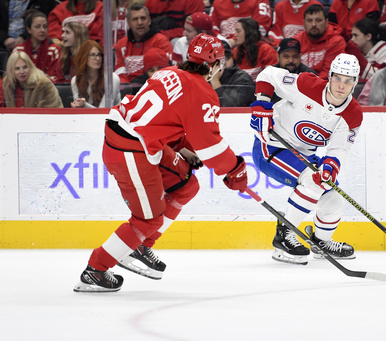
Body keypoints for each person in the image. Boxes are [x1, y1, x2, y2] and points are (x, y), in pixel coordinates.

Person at [73, 33, 248, 292]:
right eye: (219, 63)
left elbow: (162, 120)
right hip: (131, 150)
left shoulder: (167, 72)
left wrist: (184, 148)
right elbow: (211, 147)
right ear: (212, 64)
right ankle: (95, 271)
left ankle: (141, 245)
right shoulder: (202, 91)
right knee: (148, 220)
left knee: (186, 185)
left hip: (137, 141)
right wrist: (235, 169)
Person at [250, 53, 362, 264]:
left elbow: (340, 149)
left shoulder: (353, 113)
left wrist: (330, 167)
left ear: (355, 83)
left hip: (304, 155)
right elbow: (268, 74)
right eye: (337, 78)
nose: (341, 85)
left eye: (348, 81)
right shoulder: (306, 85)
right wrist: (262, 103)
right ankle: (284, 236)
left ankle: (321, 241)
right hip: (271, 146)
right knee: (312, 179)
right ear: (329, 76)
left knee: (333, 195)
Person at [114, 3, 173, 84]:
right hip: (128, 89)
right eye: (135, 19)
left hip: (153, 86)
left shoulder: (161, 42)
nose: (140, 22)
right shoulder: (121, 44)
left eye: (143, 18)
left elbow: (167, 72)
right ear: (128, 23)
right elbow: (120, 73)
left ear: (149, 21)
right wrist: (128, 89)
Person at [294, 4, 346, 80]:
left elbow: (329, 73)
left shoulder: (336, 41)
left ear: (326, 22)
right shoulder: (297, 40)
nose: (313, 24)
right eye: (309, 20)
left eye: (318, 20)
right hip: (299, 84)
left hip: (324, 86)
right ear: (304, 23)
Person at [12, 10, 61, 82]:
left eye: (45, 26)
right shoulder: (18, 50)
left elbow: (56, 77)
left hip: (46, 89)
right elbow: (12, 76)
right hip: (22, 90)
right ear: (28, 29)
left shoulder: (54, 50)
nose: (42, 30)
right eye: (37, 27)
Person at [70, 40, 121, 108]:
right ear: (84, 57)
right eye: (93, 55)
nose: (98, 58)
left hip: (111, 117)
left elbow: (104, 110)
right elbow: (77, 107)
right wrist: (78, 105)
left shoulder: (112, 78)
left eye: (99, 55)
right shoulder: (76, 80)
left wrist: (84, 105)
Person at [210, 41, 256, 107]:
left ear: (233, 60)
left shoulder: (242, 78)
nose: (224, 63)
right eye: (218, 59)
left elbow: (231, 107)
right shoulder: (204, 78)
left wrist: (215, 81)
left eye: (227, 58)